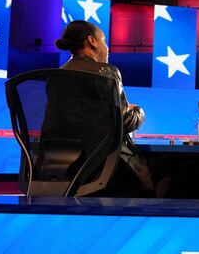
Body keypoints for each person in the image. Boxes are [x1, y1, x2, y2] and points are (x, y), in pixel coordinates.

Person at [52, 20, 168, 197]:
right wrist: (138, 112)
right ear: (92, 41)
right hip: (104, 164)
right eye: (104, 40)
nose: (108, 47)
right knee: (167, 170)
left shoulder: (55, 78)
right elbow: (122, 124)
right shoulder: (106, 72)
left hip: (62, 164)